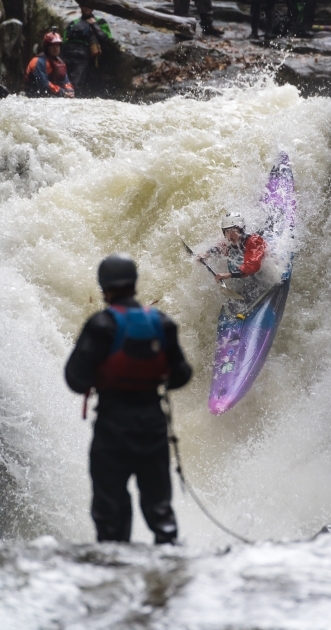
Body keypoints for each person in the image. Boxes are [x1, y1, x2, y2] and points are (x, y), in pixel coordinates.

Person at [65, 253, 192, 544]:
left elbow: (75, 379)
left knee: (110, 511)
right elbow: (181, 375)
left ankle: (117, 574)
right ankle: (169, 568)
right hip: (153, 425)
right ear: (134, 283)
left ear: (104, 286)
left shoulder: (100, 325)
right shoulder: (162, 323)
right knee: (159, 508)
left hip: (112, 427)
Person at [198, 213, 267, 302]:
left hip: (260, 275)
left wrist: (229, 274)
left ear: (241, 230)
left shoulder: (254, 241)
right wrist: (206, 254)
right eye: (226, 231)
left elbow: (253, 265)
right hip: (242, 277)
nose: (229, 235)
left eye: (232, 231)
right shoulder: (228, 242)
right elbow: (218, 248)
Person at [62, 4, 112, 95]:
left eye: (89, 5)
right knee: (68, 83)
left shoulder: (100, 22)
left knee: (81, 85)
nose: (86, 7)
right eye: (84, 5)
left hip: (89, 58)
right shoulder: (73, 23)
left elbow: (106, 39)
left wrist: (94, 25)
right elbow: (64, 41)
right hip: (69, 56)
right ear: (81, 6)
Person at [25, 29, 75, 98]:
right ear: (47, 47)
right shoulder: (38, 61)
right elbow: (44, 84)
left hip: (53, 94)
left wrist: (70, 90)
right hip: (35, 96)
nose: (56, 48)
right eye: (52, 46)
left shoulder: (60, 62)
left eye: (57, 46)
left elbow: (66, 82)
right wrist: (63, 93)